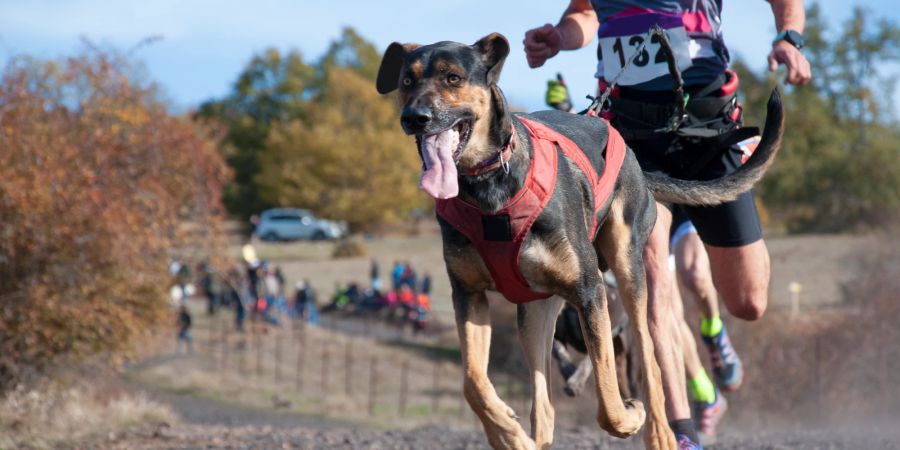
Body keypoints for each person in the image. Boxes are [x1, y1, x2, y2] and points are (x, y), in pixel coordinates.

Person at [524, 1, 811, 447]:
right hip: (631, 134)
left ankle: (714, 333)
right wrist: (560, 38)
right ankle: (682, 433)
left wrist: (789, 38)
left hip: (708, 123)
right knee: (651, 276)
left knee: (748, 301)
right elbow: (584, 14)